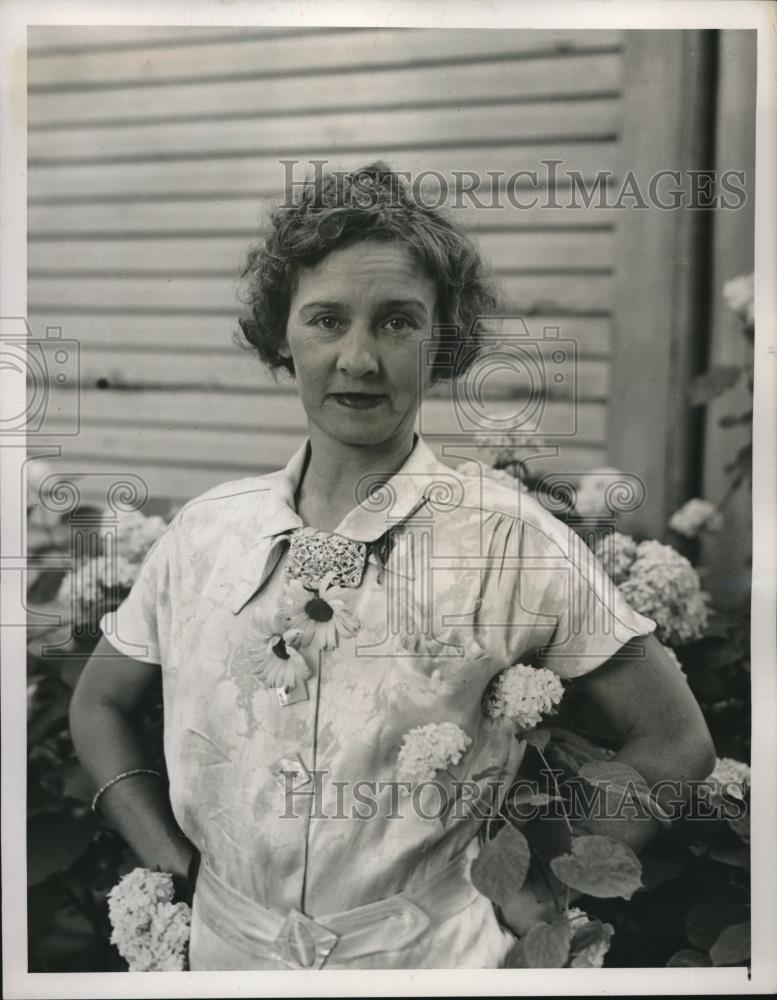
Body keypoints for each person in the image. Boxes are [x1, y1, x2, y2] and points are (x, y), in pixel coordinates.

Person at [70, 162, 715, 970]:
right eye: (326, 320)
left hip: (429, 958)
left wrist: (546, 882)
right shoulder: (205, 534)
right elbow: (99, 703)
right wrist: (173, 864)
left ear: (442, 341)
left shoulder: (511, 540)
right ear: (281, 333)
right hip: (224, 956)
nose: (359, 359)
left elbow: (672, 741)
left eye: (398, 323)